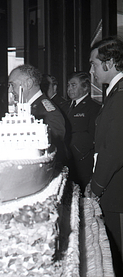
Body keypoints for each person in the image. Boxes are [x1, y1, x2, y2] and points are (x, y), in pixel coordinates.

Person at [86, 37, 123, 276]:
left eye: (94, 64)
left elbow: (115, 150)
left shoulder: (120, 97)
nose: (91, 70)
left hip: (117, 191)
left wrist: (96, 186)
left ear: (109, 63)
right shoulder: (114, 93)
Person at [8, 64, 66, 165]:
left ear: (28, 83)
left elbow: (54, 152)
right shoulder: (27, 108)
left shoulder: (47, 112)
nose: (10, 90)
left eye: (13, 85)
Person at [61, 72, 100, 194]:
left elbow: (93, 135)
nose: (69, 89)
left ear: (85, 87)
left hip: (81, 160)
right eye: (68, 86)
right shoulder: (64, 106)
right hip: (65, 158)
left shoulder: (93, 107)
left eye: (73, 85)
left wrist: (75, 148)